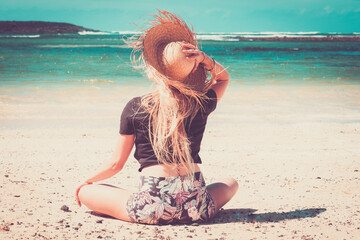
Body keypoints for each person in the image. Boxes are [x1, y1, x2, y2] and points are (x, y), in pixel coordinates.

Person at [76, 10, 238, 225]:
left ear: (155, 69)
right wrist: (205, 60)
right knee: (231, 183)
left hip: (152, 208)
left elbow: (116, 164)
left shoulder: (136, 107)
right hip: (197, 206)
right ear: (192, 71)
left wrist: (87, 181)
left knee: (87, 191)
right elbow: (223, 78)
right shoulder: (201, 102)